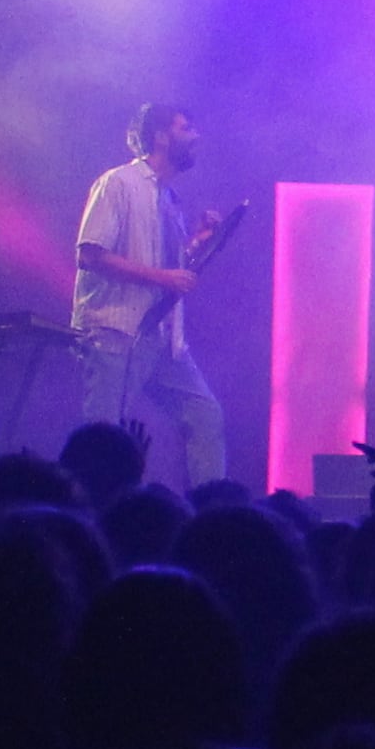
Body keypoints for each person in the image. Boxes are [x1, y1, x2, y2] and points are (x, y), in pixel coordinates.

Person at [72, 102, 235, 487]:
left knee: (205, 415)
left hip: (162, 339)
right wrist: (161, 277)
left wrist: (197, 242)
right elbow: (90, 253)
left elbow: (165, 261)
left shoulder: (169, 199)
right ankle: (90, 519)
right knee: (103, 438)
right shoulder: (118, 183)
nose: (195, 137)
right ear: (160, 135)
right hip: (117, 331)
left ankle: (210, 511)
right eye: (186, 128)